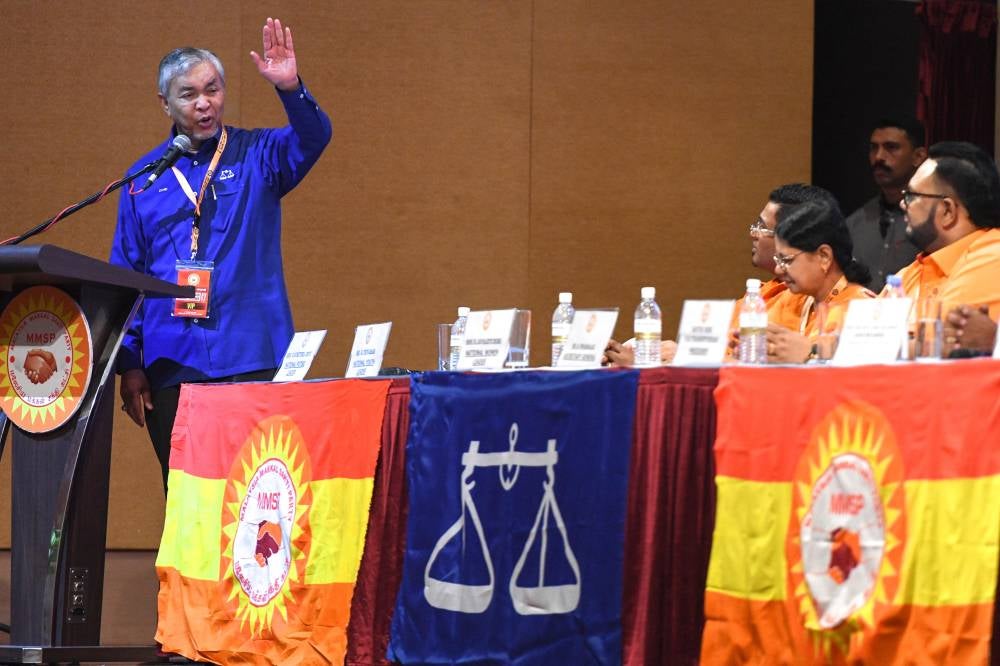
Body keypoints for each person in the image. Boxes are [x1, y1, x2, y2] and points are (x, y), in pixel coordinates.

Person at [110, 17, 332, 491]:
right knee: (188, 500)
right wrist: (129, 363)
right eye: (189, 94)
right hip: (173, 366)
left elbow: (314, 138)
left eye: (212, 89)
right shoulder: (142, 181)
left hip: (254, 356)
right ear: (165, 103)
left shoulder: (258, 155)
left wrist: (290, 87)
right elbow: (125, 277)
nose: (204, 103)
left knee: (259, 497)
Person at [602, 184, 829, 366]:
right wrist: (644, 359)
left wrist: (683, 356)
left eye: (761, 227)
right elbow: (718, 354)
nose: (752, 233)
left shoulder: (812, 298)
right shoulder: (759, 295)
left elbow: (770, 369)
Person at [891, 141, 1000, 319]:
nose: (903, 204)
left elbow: (936, 332)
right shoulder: (911, 272)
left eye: (911, 196)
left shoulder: (994, 258)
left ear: (947, 211)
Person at [765, 199, 875, 363]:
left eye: (786, 260)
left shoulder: (863, 310)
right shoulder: (792, 299)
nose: (778, 270)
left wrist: (809, 355)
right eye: (778, 260)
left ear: (824, 256)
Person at [845, 117, 926, 291]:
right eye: (874, 148)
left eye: (891, 147)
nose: (879, 157)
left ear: (918, 156)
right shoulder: (854, 223)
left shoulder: (934, 221)